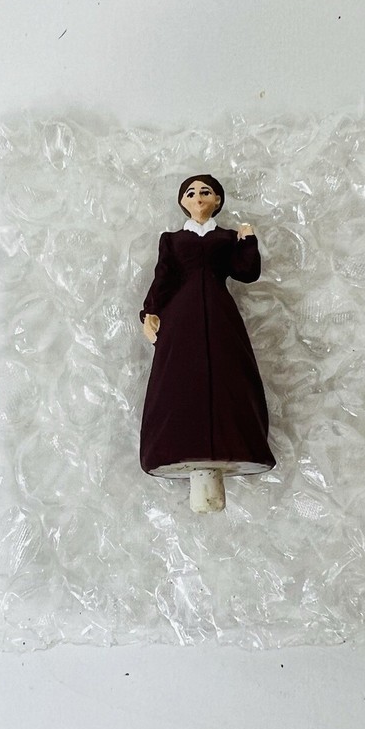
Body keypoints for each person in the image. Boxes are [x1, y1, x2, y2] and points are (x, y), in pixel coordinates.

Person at [138, 175, 275, 502]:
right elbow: (163, 277)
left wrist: (248, 241)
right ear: (182, 202)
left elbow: (247, 272)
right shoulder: (172, 239)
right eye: (190, 193)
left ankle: (234, 444)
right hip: (180, 316)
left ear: (217, 200)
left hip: (219, 313)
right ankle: (176, 446)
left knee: (228, 371)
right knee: (178, 376)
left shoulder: (226, 236)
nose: (198, 197)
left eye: (205, 192)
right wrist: (150, 311)